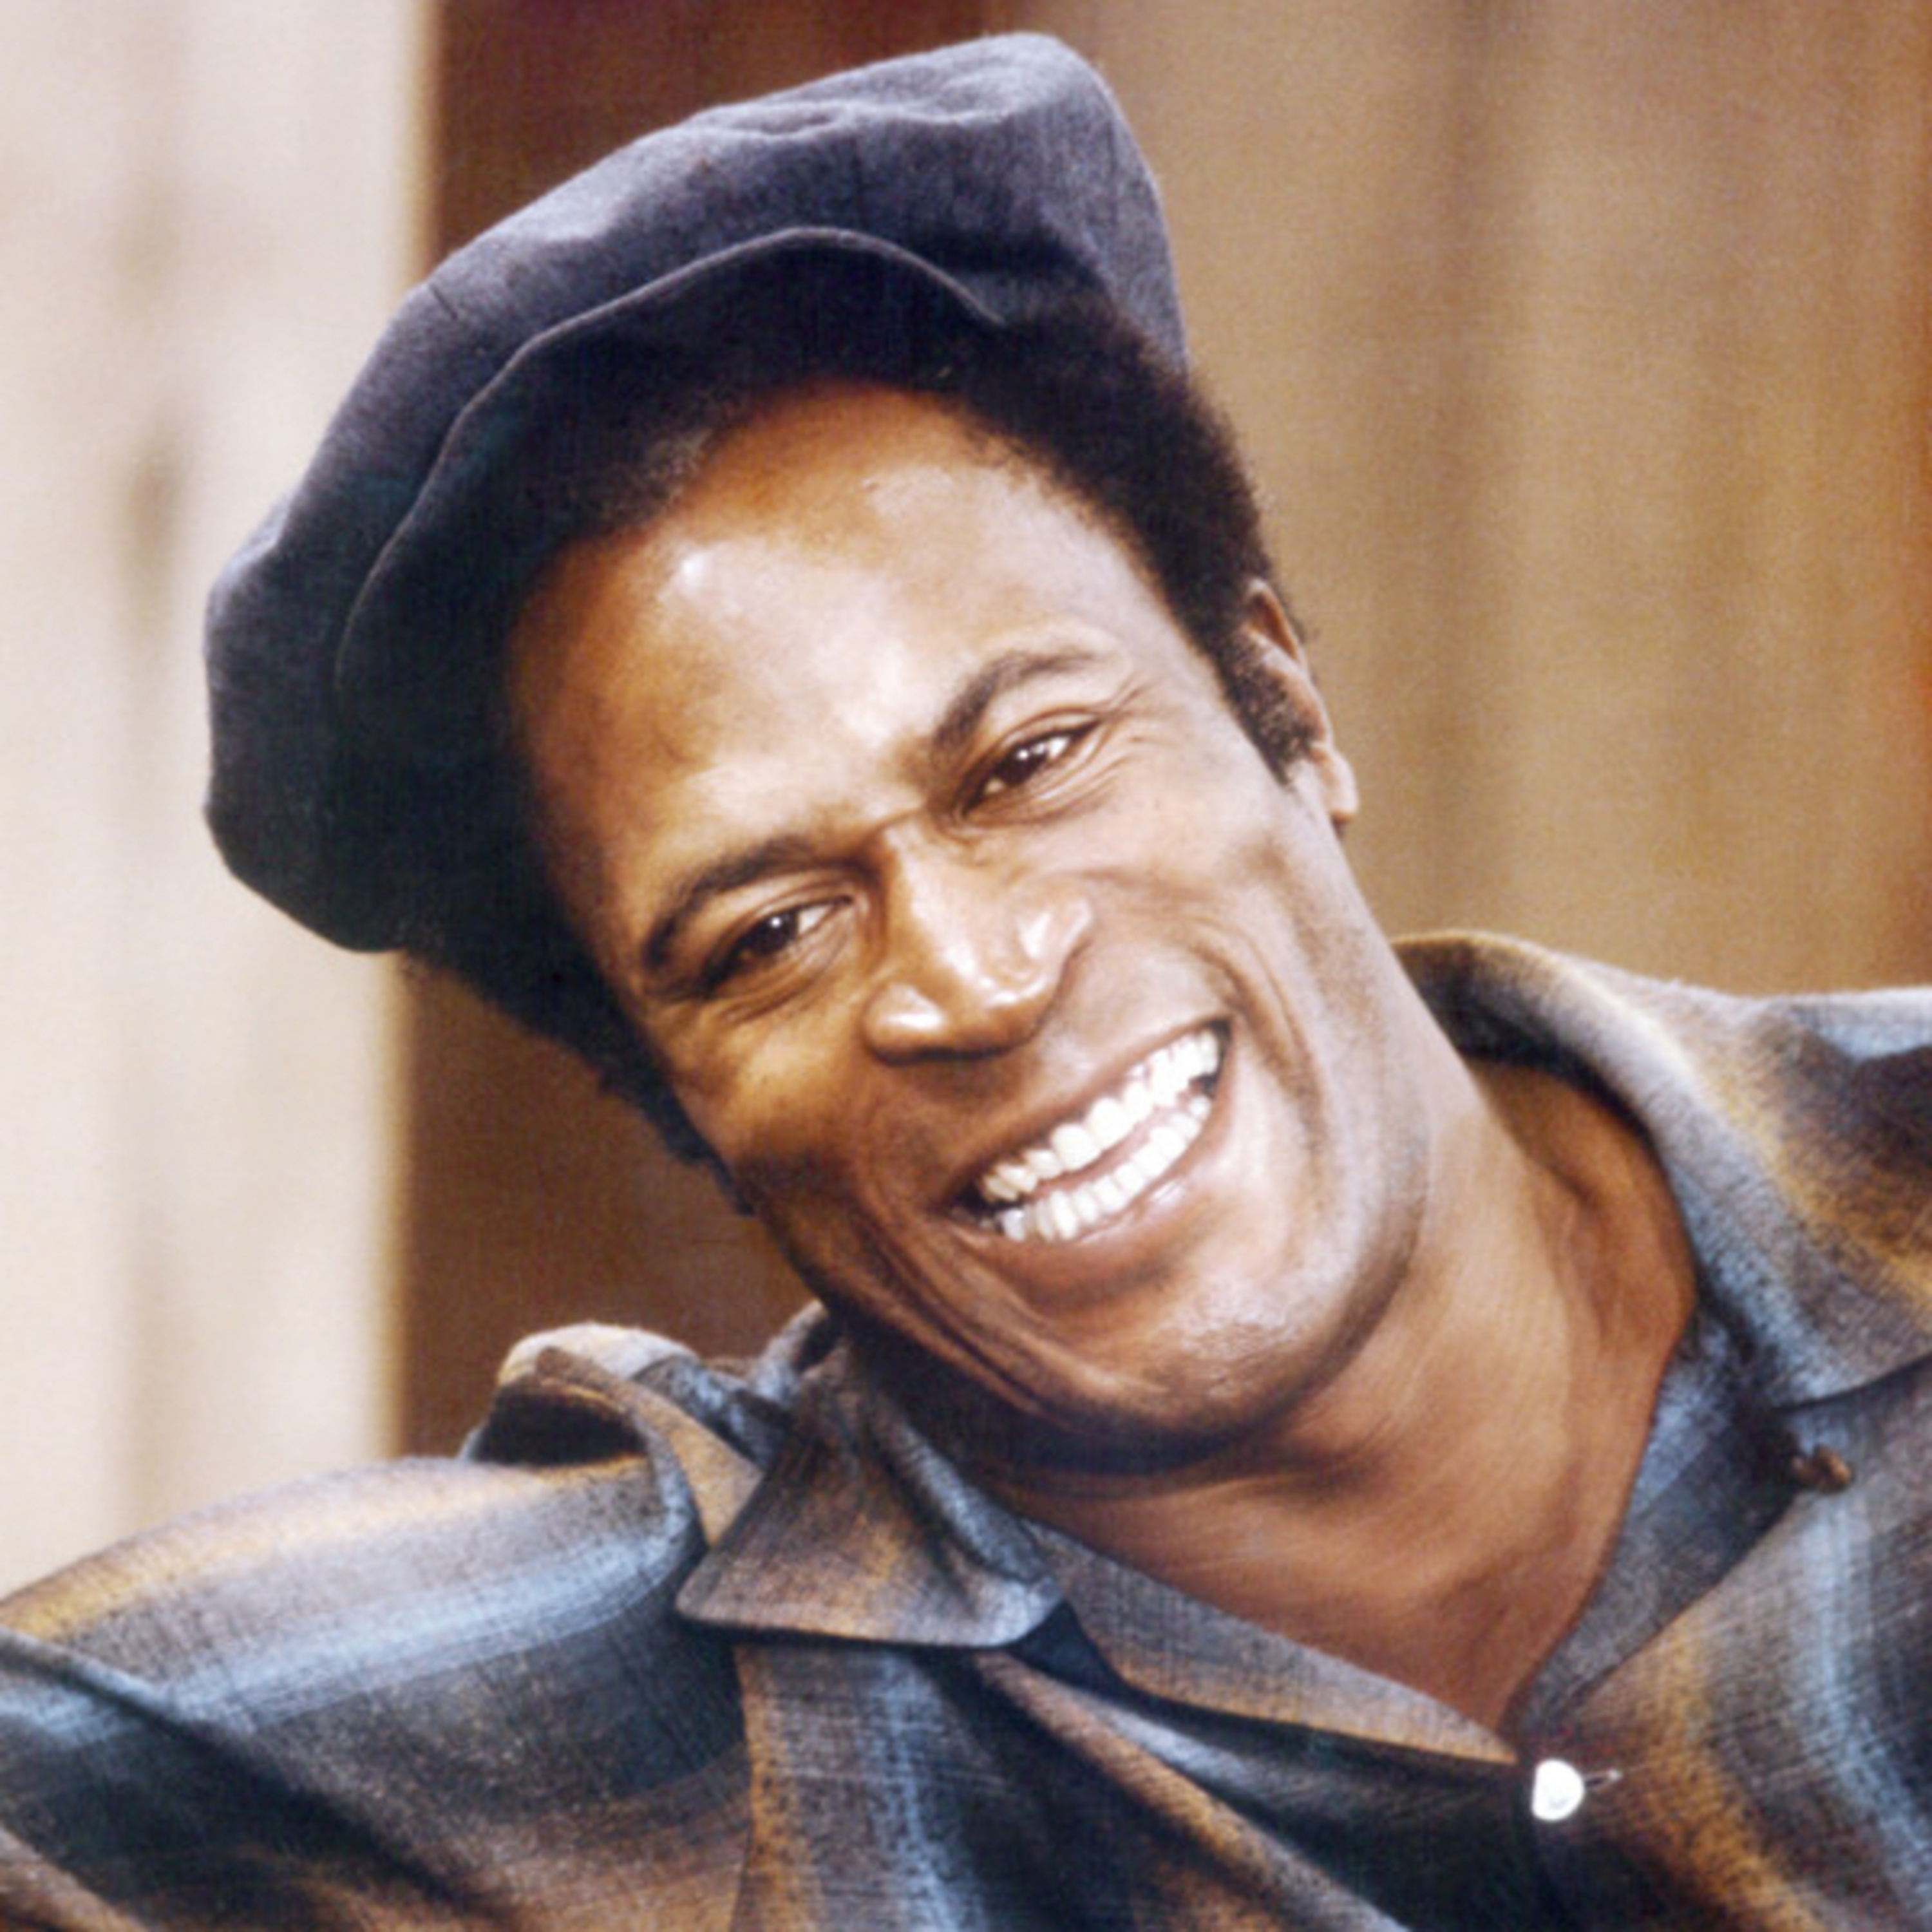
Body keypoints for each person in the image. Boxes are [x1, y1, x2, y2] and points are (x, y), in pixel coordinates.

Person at [1, 33, 1927, 1931]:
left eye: (1031, 762)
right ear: (682, 1109)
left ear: (1281, 695)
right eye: (765, 938)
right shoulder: (527, 1743)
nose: (978, 978)